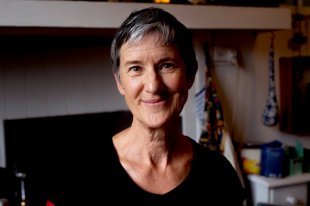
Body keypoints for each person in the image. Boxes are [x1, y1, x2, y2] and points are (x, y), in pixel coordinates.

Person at [45, 7, 245, 206]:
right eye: (135, 68)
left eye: (167, 65)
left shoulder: (219, 174)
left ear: (190, 74)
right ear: (120, 82)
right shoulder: (78, 173)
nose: (153, 86)